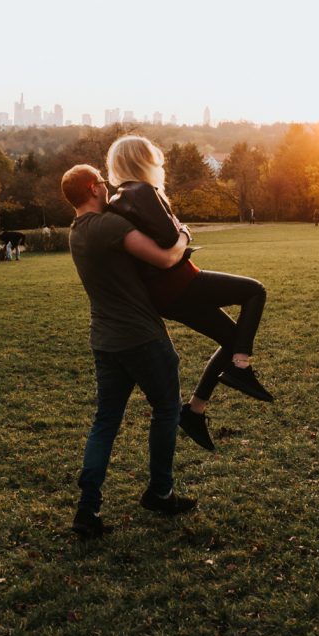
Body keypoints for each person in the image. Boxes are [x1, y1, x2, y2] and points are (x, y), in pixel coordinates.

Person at [103, 136, 272, 454]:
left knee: (232, 336)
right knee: (254, 291)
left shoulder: (118, 198)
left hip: (165, 294)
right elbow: (169, 238)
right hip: (179, 282)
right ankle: (240, 367)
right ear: (143, 160)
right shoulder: (141, 191)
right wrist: (183, 231)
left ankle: (194, 412)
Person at [61, 164, 198, 540]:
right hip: (141, 337)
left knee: (105, 422)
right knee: (168, 409)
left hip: (104, 341)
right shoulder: (108, 228)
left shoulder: (76, 233)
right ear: (93, 187)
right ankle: (160, 492)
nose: (108, 189)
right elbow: (167, 257)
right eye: (103, 184)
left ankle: (87, 511)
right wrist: (184, 232)